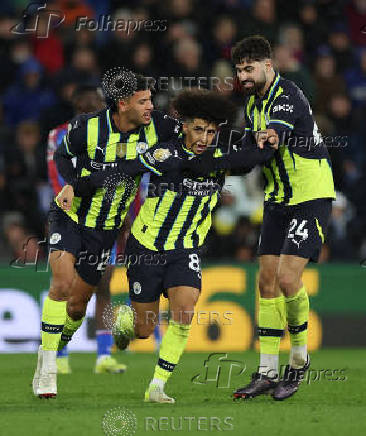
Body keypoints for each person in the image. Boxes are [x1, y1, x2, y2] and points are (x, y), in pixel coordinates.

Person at [99, 88, 277, 403]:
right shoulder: (166, 154)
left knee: (184, 311)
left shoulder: (221, 155)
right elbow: (145, 169)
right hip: (147, 248)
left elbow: (252, 157)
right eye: (198, 129)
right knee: (142, 330)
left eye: (211, 131)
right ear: (183, 126)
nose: (204, 137)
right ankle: (124, 323)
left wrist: (265, 138)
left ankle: (157, 386)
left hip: (186, 249)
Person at [33, 67, 180, 398]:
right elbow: (62, 154)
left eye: (151, 101)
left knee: (76, 305)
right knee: (61, 283)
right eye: (143, 102)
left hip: (106, 227)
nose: (150, 108)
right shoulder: (89, 128)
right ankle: (47, 366)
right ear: (123, 103)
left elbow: (191, 136)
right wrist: (71, 184)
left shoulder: (159, 127)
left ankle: (61, 342)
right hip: (70, 215)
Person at [231, 35, 335, 401]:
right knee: (266, 283)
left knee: (289, 278)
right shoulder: (251, 105)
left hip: (309, 195)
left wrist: (218, 163)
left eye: (249, 68)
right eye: (239, 69)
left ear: (268, 65)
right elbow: (247, 152)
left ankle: (299, 359)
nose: (243, 75)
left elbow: (264, 148)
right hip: (277, 198)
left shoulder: (286, 96)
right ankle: (267, 371)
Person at [46, 84, 127, 374]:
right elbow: (57, 177)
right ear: (78, 106)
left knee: (103, 285)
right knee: (65, 284)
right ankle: (59, 354)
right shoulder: (59, 136)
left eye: (99, 104)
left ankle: (104, 356)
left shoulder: (116, 135)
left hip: (105, 219)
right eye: (90, 104)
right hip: (71, 215)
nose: (96, 108)